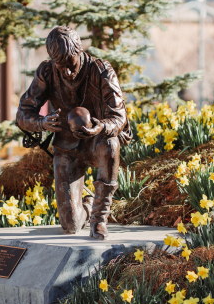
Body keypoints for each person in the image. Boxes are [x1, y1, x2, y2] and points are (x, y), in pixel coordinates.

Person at [16, 26, 131, 239]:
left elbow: (120, 117)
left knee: (110, 144)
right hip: (67, 146)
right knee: (70, 225)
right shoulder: (47, 72)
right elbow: (23, 113)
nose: (68, 72)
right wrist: (42, 123)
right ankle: (88, 206)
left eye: (72, 64)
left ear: (80, 52)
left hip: (96, 141)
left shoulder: (101, 70)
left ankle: (99, 218)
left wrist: (101, 127)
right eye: (61, 67)